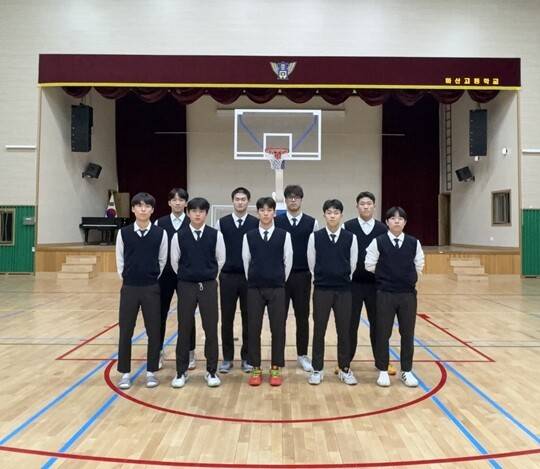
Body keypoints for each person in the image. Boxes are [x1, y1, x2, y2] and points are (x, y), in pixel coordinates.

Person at [365, 206, 425, 388]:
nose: (396, 221)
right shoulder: (378, 242)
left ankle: (406, 370)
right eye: (392, 218)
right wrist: (387, 275)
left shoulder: (413, 243)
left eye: (400, 218)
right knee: (383, 333)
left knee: (407, 333)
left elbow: (419, 265)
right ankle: (383, 370)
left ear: (405, 222)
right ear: (387, 222)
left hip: (407, 295)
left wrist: (405, 278)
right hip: (385, 294)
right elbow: (369, 264)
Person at [170, 197, 226, 388]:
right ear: (188, 213)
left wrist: (207, 275)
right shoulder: (179, 236)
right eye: (194, 211)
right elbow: (175, 262)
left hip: (208, 286)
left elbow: (220, 259)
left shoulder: (215, 235)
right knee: (184, 328)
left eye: (201, 211)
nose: (197, 214)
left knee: (211, 329)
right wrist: (188, 277)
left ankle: (211, 371)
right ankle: (181, 371)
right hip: (186, 286)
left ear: (206, 214)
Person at [115, 192, 168, 390]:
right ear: (133, 209)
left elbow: (162, 260)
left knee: (154, 331)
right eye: (139, 206)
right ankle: (125, 373)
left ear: (152, 210)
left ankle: (151, 372)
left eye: (147, 206)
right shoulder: (124, 233)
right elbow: (120, 259)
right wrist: (128, 277)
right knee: (125, 331)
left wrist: (151, 277)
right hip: (129, 288)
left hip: (151, 288)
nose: (143, 209)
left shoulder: (160, 233)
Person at [242, 197, 293, 386]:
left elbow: (288, 261)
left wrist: (278, 279)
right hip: (254, 288)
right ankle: (255, 367)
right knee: (253, 328)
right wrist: (255, 278)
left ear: (274, 213)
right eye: (262, 210)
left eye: (269, 210)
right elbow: (246, 260)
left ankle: (275, 368)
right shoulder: (249, 236)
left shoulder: (284, 235)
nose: (265, 213)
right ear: (257, 213)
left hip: (277, 288)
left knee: (278, 329)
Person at [307, 199, 358, 385]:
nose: (332, 216)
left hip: (344, 291)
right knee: (319, 330)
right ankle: (317, 369)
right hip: (322, 290)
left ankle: (345, 368)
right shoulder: (315, 237)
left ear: (341, 215)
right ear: (324, 215)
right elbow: (312, 263)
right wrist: (322, 278)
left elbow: (352, 264)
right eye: (329, 212)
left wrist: (341, 277)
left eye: (336, 212)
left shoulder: (350, 237)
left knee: (344, 331)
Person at [344, 192, 395, 375]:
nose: (365, 206)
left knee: (379, 325)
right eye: (362, 203)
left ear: (374, 206)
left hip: (376, 286)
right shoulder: (348, 226)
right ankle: (345, 361)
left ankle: (382, 362)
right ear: (357, 206)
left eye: (369, 203)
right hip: (353, 285)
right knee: (350, 325)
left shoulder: (382, 229)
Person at [274, 185, 319, 372]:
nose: (293, 200)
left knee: (302, 317)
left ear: (301, 199)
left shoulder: (312, 223)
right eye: (290, 197)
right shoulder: (276, 221)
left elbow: (315, 251)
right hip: (281, 277)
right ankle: (278, 356)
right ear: (285, 200)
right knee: (279, 318)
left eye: (297, 197)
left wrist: (312, 274)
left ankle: (302, 355)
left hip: (302, 276)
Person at [215, 187, 258, 373]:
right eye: (237, 199)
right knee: (227, 318)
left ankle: (247, 358)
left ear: (248, 201)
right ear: (232, 201)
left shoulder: (256, 223)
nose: (240, 202)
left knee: (249, 318)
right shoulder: (221, 223)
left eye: (243, 199)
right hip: (227, 277)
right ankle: (227, 358)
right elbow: (217, 250)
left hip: (249, 278)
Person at [155, 188, 196, 370]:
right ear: (169, 202)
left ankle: (190, 351)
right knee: (159, 314)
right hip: (165, 276)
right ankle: (157, 351)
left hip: (186, 276)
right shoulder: (160, 223)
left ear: (186, 203)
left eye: (181, 200)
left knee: (187, 315)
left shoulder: (193, 221)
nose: (178, 203)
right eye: (174, 200)